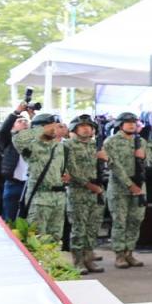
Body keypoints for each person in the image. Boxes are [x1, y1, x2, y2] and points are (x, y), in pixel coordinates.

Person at [11, 112, 68, 240]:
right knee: (36, 239)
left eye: (56, 125)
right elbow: (17, 139)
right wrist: (42, 129)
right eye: (51, 126)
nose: (54, 129)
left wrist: (67, 176)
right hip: (39, 199)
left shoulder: (60, 147)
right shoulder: (31, 146)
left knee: (55, 239)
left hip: (58, 199)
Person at [102, 112, 148, 268]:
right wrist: (130, 185)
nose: (131, 125)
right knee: (120, 222)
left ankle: (129, 252)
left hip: (139, 187)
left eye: (134, 122)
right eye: (128, 122)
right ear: (120, 124)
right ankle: (119, 255)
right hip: (119, 188)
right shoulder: (111, 142)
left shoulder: (141, 141)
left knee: (135, 220)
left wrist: (143, 157)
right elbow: (114, 165)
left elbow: (148, 163)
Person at [64, 116, 103, 273]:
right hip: (78, 192)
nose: (86, 129)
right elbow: (72, 170)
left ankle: (89, 259)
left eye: (89, 126)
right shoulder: (68, 145)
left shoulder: (94, 145)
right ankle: (78, 261)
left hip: (95, 191)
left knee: (92, 228)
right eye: (82, 126)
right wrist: (89, 185)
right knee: (79, 229)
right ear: (75, 129)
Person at [0, 105, 32, 222]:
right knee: (10, 218)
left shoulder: (35, 141)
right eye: (19, 121)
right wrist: (16, 112)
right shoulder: (9, 141)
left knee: (29, 219)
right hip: (13, 184)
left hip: (30, 184)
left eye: (25, 121)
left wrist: (32, 116)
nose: (23, 123)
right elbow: (3, 131)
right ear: (13, 126)